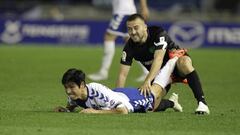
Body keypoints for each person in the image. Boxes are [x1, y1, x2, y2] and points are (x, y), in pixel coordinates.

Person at [116, 14, 210, 114]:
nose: (133, 32)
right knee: (148, 107)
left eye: (136, 28)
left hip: (175, 65)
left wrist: (147, 80)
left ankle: (202, 103)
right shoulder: (129, 47)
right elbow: (122, 75)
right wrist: (117, 98)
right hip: (160, 74)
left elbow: (158, 59)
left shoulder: (158, 33)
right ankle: (172, 103)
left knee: (185, 62)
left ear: (145, 27)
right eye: (129, 29)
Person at [54, 66, 183, 114]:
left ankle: (172, 67)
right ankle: (172, 101)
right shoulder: (74, 96)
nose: (68, 91)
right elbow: (71, 106)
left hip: (129, 101)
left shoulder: (96, 92)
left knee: (152, 101)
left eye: (71, 87)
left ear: (82, 85)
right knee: (152, 106)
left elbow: (123, 111)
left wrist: (95, 112)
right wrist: (65, 110)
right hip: (118, 94)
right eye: (66, 88)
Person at [88, 0, 149, 82]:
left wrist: (144, 7)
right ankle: (146, 71)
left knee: (109, 36)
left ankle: (103, 72)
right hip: (127, 10)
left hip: (122, 11)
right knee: (131, 43)